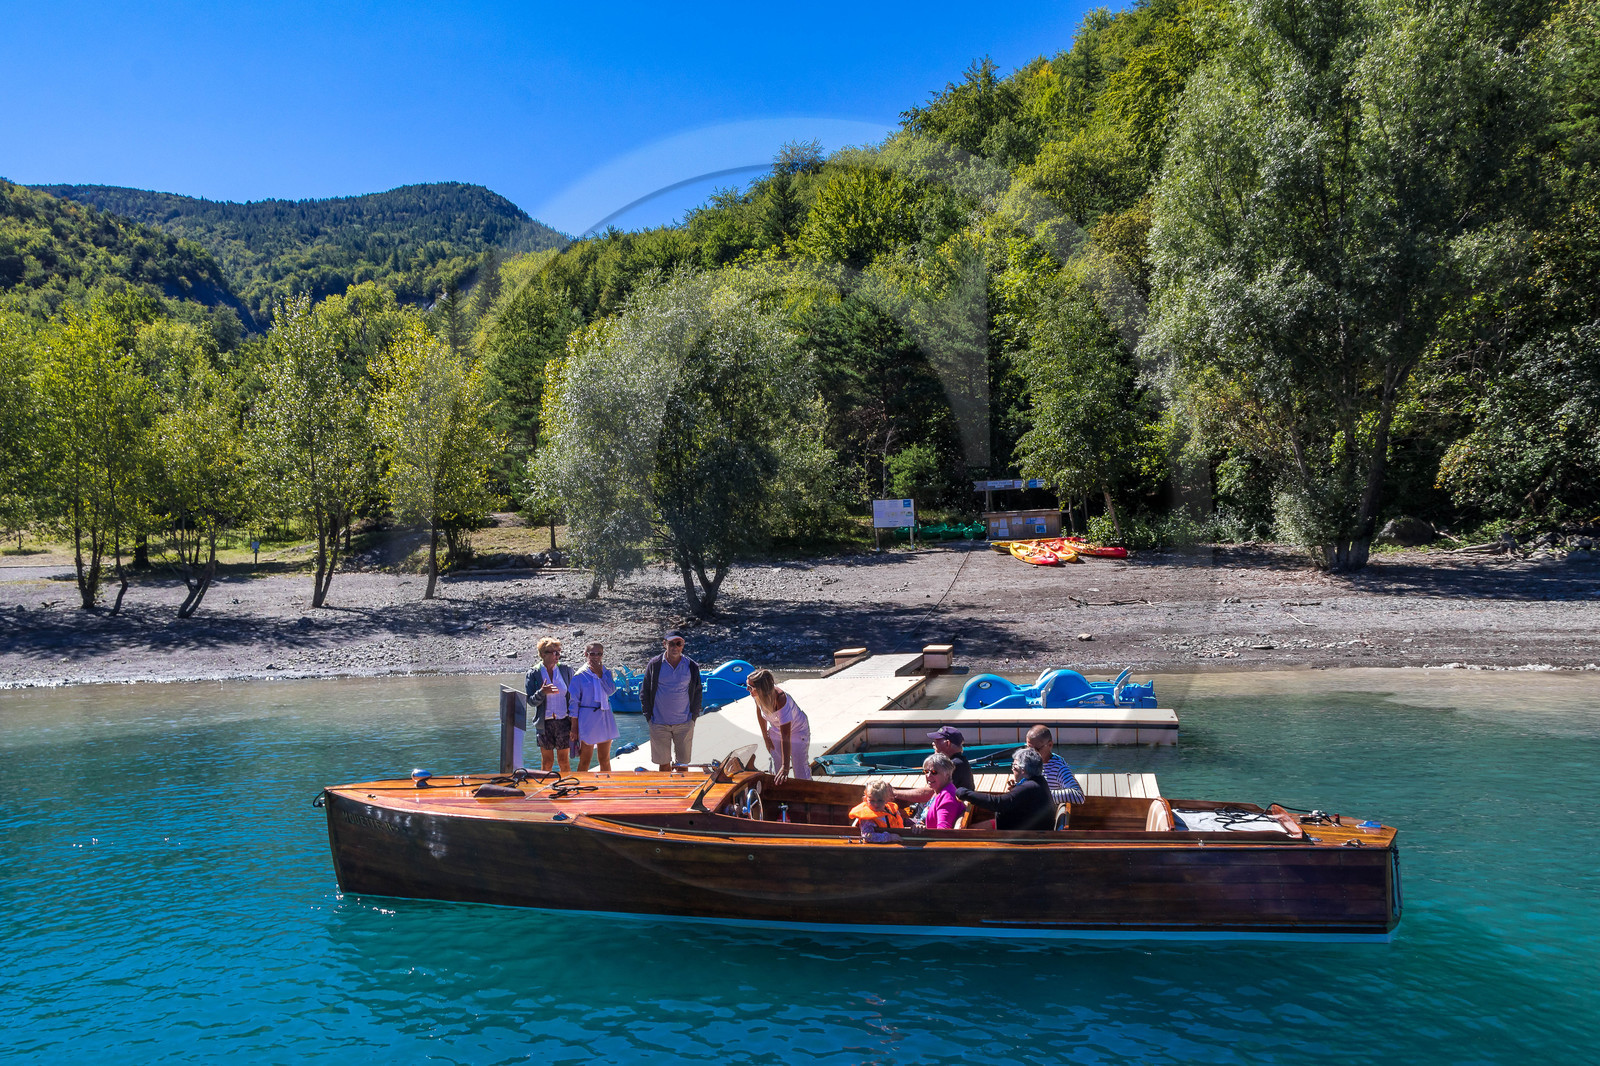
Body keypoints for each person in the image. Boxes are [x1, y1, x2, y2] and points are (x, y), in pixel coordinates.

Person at [640, 630, 702, 772]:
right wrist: (649, 718)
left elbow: (697, 693)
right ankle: (667, 792)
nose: (675, 647)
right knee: (664, 765)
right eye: (671, 643)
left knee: (682, 766)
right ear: (664, 644)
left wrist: (693, 718)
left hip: (684, 723)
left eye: (678, 643)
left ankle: (682, 792)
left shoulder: (691, 666)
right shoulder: (655, 665)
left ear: (683, 645)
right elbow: (644, 692)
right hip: (659, 723)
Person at [956, 747, 1055, 830]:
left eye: (1014, 766)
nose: (1012, 769)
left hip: (1026, 837)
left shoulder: (1029, 788)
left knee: (972, 830)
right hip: (1023, 828)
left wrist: (965, 793)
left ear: (1023, 770)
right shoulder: (1039, 781)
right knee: (974, 827)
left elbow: (997, 803)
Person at [745, 668, 811, 784]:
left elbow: (786, 735)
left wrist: (786, 767)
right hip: (776, 730)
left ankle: (808, 794)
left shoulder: (780, 699)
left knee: (799, 768)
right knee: (776, 768)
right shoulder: (757, 696)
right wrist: (766, 737)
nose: (747, 689)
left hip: (797, 730)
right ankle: (779, 795)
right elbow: (760, 714)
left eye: (750, 687)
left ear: (761, 688)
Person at [525, 637, 575, 774]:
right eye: (553, 652)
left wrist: (575, 723)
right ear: (543, 654)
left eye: (558, 652)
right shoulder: (534, 673)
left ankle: (567, 787)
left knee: (564, 761)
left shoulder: (566, 670)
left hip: (564, 722)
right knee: (547, 762)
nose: (557, 655)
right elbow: (530, 701)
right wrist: (542, 692)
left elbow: (574, 698)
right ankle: (545, 791)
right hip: (544, 724)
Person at [893, 725, 975, 807]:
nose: (933, 743)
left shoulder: (953, 766)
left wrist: (895, 793)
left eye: (937, 740)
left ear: (947, 743)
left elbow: (928, 794)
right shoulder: (959, 762)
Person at [572, 641, 620, 772]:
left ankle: (606, 788)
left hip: (605, 716)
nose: (596, 657)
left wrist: (600, 675)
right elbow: (573, 703)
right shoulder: (579, 675)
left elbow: (611, 690)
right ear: (586, 654)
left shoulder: (606, 672)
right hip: (588, 717)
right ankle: (580, 787)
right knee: (585, 759)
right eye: (592, 653)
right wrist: (574, 727)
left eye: (599, 654)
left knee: (604, 758)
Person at [1026, 724, 1085, 805]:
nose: (1031, 753)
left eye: (1036, 749)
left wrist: (1041, 794)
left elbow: (1078, 796)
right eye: (1028, 748)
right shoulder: (1028, 761)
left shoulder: (1058, 767)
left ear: (1049, 745)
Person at [918, 752, 965, 830]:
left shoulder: (947, 798)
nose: (928, 775)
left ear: (946, 775)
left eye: (934, 772)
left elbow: (943, 830)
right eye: (926, 771)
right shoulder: (939, 791)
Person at [849, 778, 904, 843]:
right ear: (866, 799)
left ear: (886, 799)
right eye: (872, 801)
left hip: (896, 844)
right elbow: (867, 837)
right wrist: (889, 837)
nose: (876, 804)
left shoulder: (892, 811)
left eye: (880, 800)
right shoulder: (867, 818)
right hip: (875, 850)